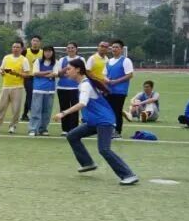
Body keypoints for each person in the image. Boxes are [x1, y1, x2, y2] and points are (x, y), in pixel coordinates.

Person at [53, 58, 139, 186]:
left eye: (69, 69)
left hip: (104, 121)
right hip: (94, 122)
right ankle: (87, 163)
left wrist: (63, 113)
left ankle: (128, 175)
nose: (66, 72)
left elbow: (82, 103)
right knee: (72, 136)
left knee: (104, 149)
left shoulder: (85, 85)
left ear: (78, 70)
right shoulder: (84, 83)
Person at [0, 41, 31, 134]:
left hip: (17, 87)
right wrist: (2, 72)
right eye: (14, 47)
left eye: (18, 47)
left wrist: (16, 73)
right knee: (1, 107)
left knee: (16, 109)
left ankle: (13, 126)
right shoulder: (6, 58)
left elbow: (27, 74)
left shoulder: (24, 60)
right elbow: (1, 69)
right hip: (5, 86)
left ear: (21, 49)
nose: (15, 49)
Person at [104, 39, 134, 138]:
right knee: (108, 111)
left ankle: (117, 131)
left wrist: (115, 81)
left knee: (117, 110)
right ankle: (109, 129)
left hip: (120, 91)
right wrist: (106, 81)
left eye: (117, 47)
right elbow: (105, 75)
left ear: (121, 49)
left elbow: (129, 75)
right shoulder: (108, 61)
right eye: (113, 47)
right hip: (109, 90)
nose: (114, 49)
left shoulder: (125, 60)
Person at [28, 46, 57, 136]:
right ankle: (33, 129)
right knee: (36, 110)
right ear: (43, 53)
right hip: (38, 89)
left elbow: (55, 74)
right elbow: (35, 73)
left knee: (47, 111)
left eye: (49, 51)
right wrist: (48, 72)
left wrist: (42, 74)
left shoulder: (56, 62)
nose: (47, 53)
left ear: (52, 52)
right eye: (46, 51)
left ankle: (43, 129)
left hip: (50, 90)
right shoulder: (38, 61)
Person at [54, 42, 82, 135]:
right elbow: (59, 74)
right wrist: (67, 68)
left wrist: (71, 73)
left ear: (76, 49)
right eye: (68, 48)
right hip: (62, 87)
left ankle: (74, 129)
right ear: (66, 50)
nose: (70, 49)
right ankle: (65, 129)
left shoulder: (80, 59)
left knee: (74, 109)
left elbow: (82, 72)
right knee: (64, 107)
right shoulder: (62, 60)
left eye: (72, 48)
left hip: (75, 88)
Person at [21, 35, 43, 121]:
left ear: (40, 43)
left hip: (39, 77)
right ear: (31, 41)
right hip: (28, 77)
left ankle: (24, 114)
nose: (35, 42)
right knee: (30, 94)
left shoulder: (42, 52)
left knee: (34, 95)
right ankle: (32, 113)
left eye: (37, 41)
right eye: (34, 40)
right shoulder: (25, 51)